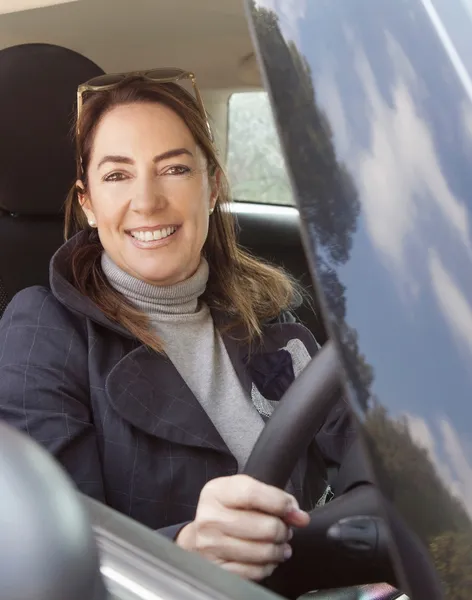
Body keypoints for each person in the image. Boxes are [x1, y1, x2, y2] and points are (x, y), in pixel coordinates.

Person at [0, 70, 354, 581]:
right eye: (117, 175)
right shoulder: (45, 329)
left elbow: (371, 457)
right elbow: (44, 548)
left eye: (173, 169)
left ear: (210, 186)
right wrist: (183, 550)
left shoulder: (269, 315)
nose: (146, 201)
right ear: (88, 204)